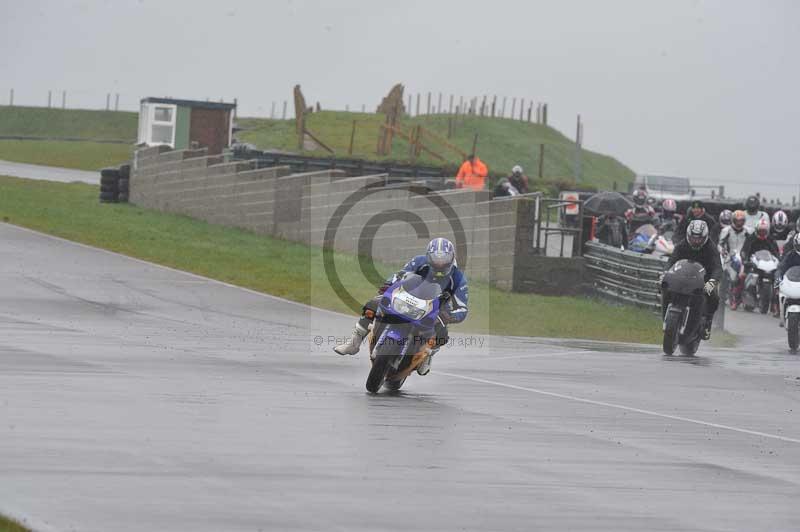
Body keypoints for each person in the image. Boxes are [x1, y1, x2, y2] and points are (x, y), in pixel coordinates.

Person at [333, 237, 468, 376]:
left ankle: (428, 356)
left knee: (442, 333)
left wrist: (449, 316)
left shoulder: (458, 278)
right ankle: (353, 343)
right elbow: (400, 274)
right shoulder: (419, 261)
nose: (439, 264)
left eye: (443, 260)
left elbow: (463, 308)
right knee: (373, 304)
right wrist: (388, 285)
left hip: (436, 307)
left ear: (451, 259)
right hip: (408, 297)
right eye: (436, 260)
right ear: (428, 256)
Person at [665, 220, 722, 340]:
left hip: (704, 278)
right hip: (683, 276)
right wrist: (666, 272)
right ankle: (666, 311)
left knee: (714, 298)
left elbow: (717, 268)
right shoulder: (682, 245)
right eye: (693, 238)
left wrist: (712, 281)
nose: (696, 241)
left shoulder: (711, 248)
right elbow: (671, 260)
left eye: (699, 238)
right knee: (666, 287)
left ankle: (707, 324)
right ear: (688, 235)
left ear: (705, 237)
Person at [718, 210, 751, 309]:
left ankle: (747, 295)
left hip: (743, 255)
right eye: (737, 221)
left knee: (746, 275)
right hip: (729, 255)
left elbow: (752, 243)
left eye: (741, 221)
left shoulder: (748, 231)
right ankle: (727, 294)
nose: (739, 223)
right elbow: (720, 244)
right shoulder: (726, 230)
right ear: (733, 220)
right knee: (728, 274)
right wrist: (722, 251)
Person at [775, 232, 800, 326]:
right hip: (793, 281)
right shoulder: (790, 255)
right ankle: (778, 311)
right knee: (778, 291)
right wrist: (778, 278)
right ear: (795, 245)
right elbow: (781, 267)